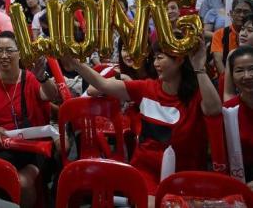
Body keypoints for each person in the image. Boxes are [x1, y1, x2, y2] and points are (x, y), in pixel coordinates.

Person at [64, 35, 221, 202]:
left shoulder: (197, 95)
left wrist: (199, 67)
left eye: (160, 58)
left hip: (185, 177)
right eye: (154, 58)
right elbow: (103, 85)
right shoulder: (147, 88)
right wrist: (76, 63)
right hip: (146, 173)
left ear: (180, 60)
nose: (155, 64)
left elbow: (214, 109)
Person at [0, 31, 58, 208]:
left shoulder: (31, 78)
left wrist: (42, 77)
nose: (4, 56)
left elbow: (50, 94)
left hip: (33, 148)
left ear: (19, 53)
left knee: (23, 183)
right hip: (1, 146)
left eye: (9, 50)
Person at [223, 46, 253, 190]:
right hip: (239, 184)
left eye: (252, 69)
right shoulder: (228, 111)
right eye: (239, 70)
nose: (247, 76)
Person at [210, 0, 253, 74]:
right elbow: (218, 60)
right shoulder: (220, 33)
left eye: (246, 12)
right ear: (231, 13)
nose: (242, 15)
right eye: (238, 11)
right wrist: (227, 81)